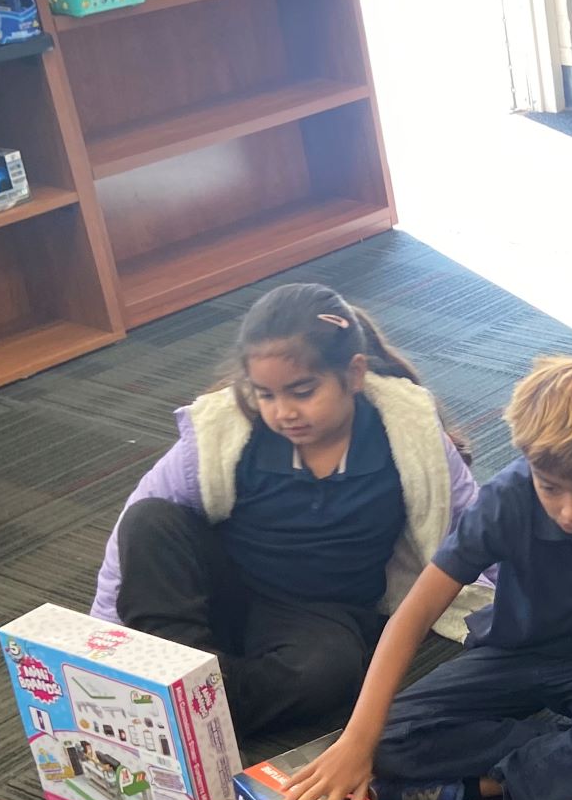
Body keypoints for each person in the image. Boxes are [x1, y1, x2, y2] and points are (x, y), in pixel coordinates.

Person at [279, 358, 572, 800]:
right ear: (528, 460)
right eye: (549, 487)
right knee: (383, 740)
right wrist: (357, 740)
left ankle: (477, 787)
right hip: (510, 650)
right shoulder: (504, 500)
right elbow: (415, 613)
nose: (570, 512)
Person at [91, 282, 482, 737]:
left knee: (328, 671)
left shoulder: (407, 438)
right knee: (148, 519)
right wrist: (100, 639)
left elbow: (477, 528)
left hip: (319, 614)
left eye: (302, 391)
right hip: (223, 588)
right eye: (266, 395)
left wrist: (516, 604)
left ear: (354, 374)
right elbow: (135, 536)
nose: (284, 412)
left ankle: (191, 693)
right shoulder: (228, 435)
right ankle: (187, 681)